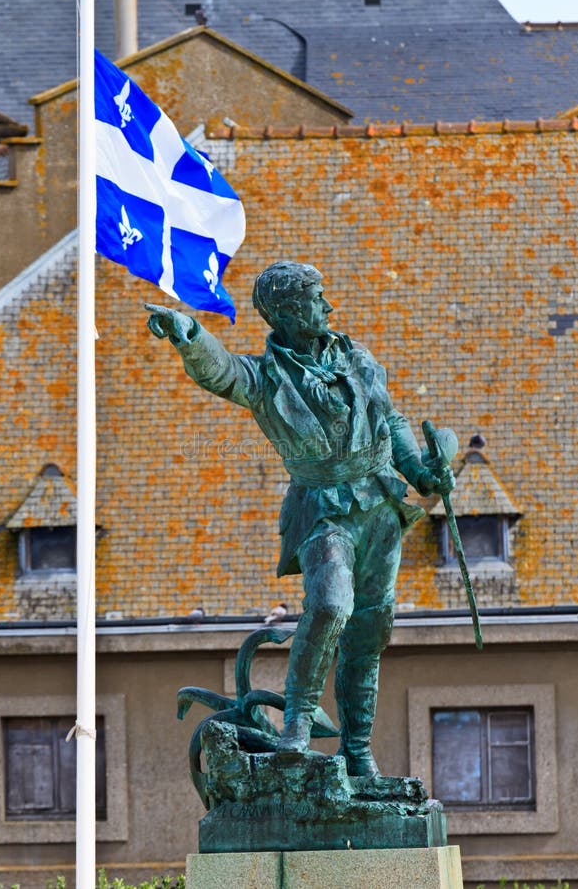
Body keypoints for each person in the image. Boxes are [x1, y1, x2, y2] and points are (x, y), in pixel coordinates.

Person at [146, 261, 454, 777]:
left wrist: (422, 473)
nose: (327, 307)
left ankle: (356, 749)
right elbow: (221, 371)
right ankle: (298, 722)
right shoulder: (267, 378)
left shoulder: (355, 356)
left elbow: (390, 420)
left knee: (368, 629)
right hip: (321, 508)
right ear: (288, 312)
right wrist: (190, 334)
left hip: (379, 507)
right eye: (317, 298)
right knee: (332, 604)